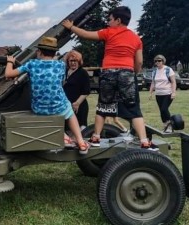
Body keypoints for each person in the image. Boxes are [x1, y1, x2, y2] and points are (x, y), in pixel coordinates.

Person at [62, 6, 158, 150]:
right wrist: (133, 73)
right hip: (127, 72)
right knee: (133, 108)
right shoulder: (136, 38)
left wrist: (71, 27)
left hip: (108, 72)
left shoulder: (109, 32)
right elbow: (139, 62)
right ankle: (144, 141)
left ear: (118, 20)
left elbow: (86, 34)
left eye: (110, 19)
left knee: (103, 106)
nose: (108, 22)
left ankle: (96, 137)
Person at [5, 36, 90, 154]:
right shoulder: (61, 65)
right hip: (58, 106)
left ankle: (64, 136)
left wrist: (10, 61)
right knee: (69, 111)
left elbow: (8, 74)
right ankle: (81, 142)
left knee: (48, 106)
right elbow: (60, 81)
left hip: (39, 108)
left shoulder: (31, 64)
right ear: (55, 52)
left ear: (39, 52)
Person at [63, 50, 90, 130]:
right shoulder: (65, 72)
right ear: (68, 61)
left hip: (79, 106)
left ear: (79, 61)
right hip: (67, 106)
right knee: (67, 129)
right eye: (71, 61)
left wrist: (77, 103)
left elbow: (86, 91)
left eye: (75, 61)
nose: (73, 63)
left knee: (80, 130)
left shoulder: (83, 72)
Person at [148, 55, 177, 133]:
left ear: (163, 61)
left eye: (159, 60)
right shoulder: (154, 71)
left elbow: (173, 82)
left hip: (167, 93)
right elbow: (153, 83)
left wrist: (173, 92)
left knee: (164, 109)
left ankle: (170, 125)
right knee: (161, 111)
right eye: (156, 61)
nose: (157, 62)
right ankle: (165, 125)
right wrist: (150, 93)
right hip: (158, 94)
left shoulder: (168, 69)